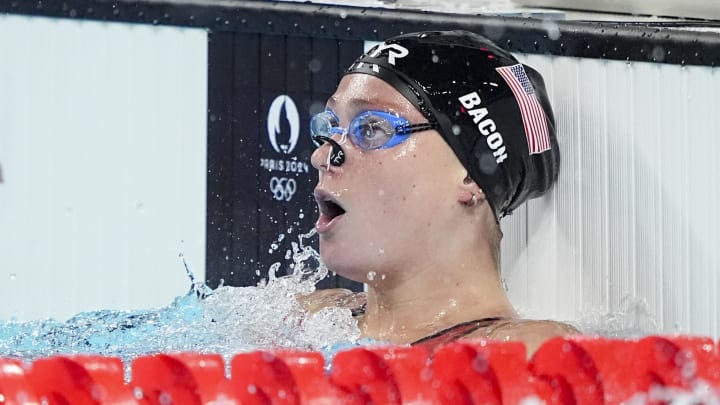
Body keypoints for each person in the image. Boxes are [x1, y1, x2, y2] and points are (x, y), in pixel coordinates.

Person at [302, 30, 577, 356]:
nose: (321, 157)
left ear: (471, 175)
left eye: (372, 128)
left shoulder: (528, 353)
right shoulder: (309, 319)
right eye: (331, 126)